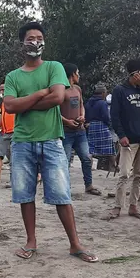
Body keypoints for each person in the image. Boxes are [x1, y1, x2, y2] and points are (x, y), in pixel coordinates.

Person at [4, 22, 97, 263]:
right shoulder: (13, 76)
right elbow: (9, 106)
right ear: (22, 44)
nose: (35, 42)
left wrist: (25, 103)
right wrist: (38, 94)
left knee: (62, 195)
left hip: (52, 141)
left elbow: (58, 97)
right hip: (22, 142)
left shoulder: (54, 67)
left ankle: (75, 244)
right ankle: (31, 241)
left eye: (38, 37)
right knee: (25, 195)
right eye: (30, 38)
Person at [107, 59, 140, 220]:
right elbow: (114, 116)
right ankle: (117, 206)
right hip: (129, 140)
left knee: (139, 174)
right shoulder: (120, 90)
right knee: (124, 174)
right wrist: (121, 135)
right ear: (135, 74)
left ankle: (133, 206)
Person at [61, 63, 100, 196]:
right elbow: (54, 112)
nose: (79, 75)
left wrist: (82, 116)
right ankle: (65, 186)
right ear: (72, 74)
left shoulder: (77, 89)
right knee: (65, 161)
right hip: (66, 132)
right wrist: (67, 121)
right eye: (77, 72)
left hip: (80, 131)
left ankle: (88, 185)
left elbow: (82, 105)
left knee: (87, 157)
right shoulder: (61, 90)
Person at [85, 82, 116, 172]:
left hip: (91, 126)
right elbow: (106, 116)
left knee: (91, 149)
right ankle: (113, 167)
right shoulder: (102, 103)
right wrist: (107, 124)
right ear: (102, 93)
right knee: (110, 148)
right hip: (101, 126)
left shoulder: (88, 103)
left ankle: (88, 167)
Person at [0, 99, 15, 184]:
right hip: (5, 133)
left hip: (15, 132)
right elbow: (2, 116)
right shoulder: (4, 103)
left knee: (13, 156)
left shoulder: (17, 100)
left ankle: (13, 180)